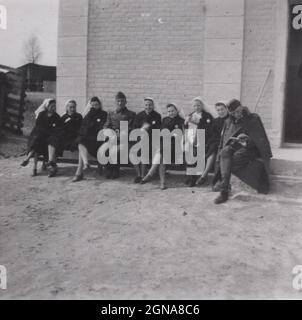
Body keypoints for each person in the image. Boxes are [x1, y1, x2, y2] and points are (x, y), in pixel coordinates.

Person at [213, 99, 272, 204]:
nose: (236, 114)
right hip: (235, 147)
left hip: (250, 149)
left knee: (229, 162)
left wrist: (247, 140)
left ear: (241, 107)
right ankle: (225, 190)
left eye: (237, 111)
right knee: (225, 151)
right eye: (233, 113)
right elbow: (225, 140)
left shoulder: (253, 118)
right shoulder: (229, 121)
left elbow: (260, 140)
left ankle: (224, 189)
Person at [141, 103, 184, 190]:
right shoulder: (165, 120)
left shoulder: (181, 121)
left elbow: (179, 135)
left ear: (177, 111)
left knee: (161, 152)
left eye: (172, 111)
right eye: (169, 111)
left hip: (175, 146)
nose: (170, 113)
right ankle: (162, 183)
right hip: (163, 145)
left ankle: (150, 174)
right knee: (162, 157)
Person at [21, 98, 62, 177]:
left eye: (54, 106)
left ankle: (28, 159)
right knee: (37, 142)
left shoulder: (56, 116)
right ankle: (33, 167)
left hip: (49, 137)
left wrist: (50, 130)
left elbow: (58, 128)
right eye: (51, 106)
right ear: (47, 106)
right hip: (40, 135)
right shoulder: (42, 114)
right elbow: (38, 126)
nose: (53, 108)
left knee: (38, 142)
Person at [100, 91, 136, 179]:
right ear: (115, 102)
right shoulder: (110, 113)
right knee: (104, 149)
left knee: (117, 149)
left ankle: (115, 169)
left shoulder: (131, 114)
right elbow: (106, 125)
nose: (120, 103)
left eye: (122, 101)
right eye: (118, 101)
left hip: (124, 139)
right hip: (112, 138)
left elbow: (132, 128)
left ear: (125, 102)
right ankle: (109, 169)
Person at [72, 96, 107, 182]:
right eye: (93, 105)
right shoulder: (89, 114)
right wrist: (91, 116)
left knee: (81, 144)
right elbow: (84, 128)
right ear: (90, 106)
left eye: (96, 105)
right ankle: (85, 164)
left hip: (98, 141)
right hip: (89, 140)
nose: (95, 107)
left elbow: (99, 127)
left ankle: (80, 172)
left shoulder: (103, 114)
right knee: (81, 143)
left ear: (100, 105)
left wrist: (93, 123)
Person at [196, 101, 229, 186]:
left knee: (216, 150)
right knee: (213, 148)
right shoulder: (216, 121)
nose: (220, 112)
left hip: (228, 142)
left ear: (226, 109)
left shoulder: (231, 120)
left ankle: (205, 175)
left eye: (222, 109)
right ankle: (205, 175)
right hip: (217, 143)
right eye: (218, 110)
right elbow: (213, 135)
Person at [184, 97, 213, 187]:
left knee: (194, 153)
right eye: (195, 106)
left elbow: (208, 130)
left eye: (198, 105)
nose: (196, 107)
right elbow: (186, 128)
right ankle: (190, 176)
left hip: (202, 139)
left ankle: (194, 178)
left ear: (202, 106)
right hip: (190, 138)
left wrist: (196, 123)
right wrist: (185, 123)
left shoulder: (207, 116)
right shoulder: (191, 115)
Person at [132, 97, 161, 183]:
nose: (148, 107)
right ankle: (138, 174)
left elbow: (158, 130)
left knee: (145, 150)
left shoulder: (157, 116)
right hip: (139, 139)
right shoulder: (139, 115)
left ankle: (143, 175)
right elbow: (134, 129)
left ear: (153, 106)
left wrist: (149, 128)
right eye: (146, 105)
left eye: (150, 105)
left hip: (152, 140)